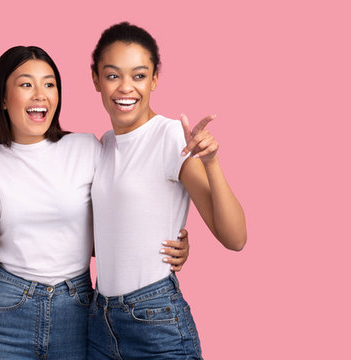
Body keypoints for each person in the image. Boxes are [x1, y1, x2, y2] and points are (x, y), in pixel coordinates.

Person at [0, 46, 190, 360]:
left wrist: (167, 239)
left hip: (76, 309)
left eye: (49, 84)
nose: (40, 94)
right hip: (7, 310)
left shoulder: (87, 148)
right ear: (3, 98)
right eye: (26, 84)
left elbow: (124, 210)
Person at [87, 22, 248, 360]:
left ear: (155, 79)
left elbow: (235, 238)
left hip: (154, 319)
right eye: (113, 75)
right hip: (100, 321)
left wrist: (213, 163)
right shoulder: (102, 146)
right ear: (96, 79)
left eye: (139, 75)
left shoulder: (171, 137)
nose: (125, 88)